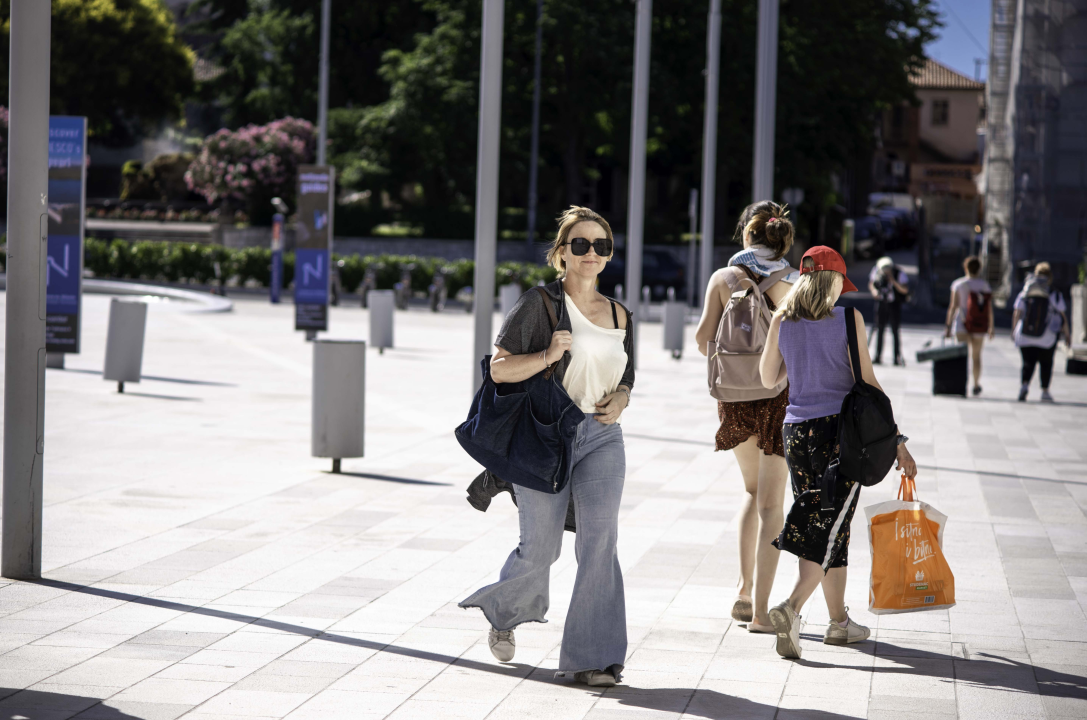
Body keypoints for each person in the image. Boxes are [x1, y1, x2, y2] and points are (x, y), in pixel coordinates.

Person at [459, 206, 634, 688]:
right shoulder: (540, 304)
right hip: (545, 436)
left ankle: (593, 658)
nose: (591, 253)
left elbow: (627, 374)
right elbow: (499, 370)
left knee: (600, 540)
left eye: (601, 245)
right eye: (580, 244)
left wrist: (622, 396)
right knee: (541, 549)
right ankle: (503, 612)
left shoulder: (619, 313)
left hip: (601, 437)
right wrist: (547, 354)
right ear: (562, 253)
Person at [759, 246, 917, 660]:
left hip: (796, 433)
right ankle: (791, 608)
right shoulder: (849, 318)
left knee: (826, 525)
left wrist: (800, 358)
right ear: (832, 282)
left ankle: (839, 623)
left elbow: (769, 378)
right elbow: (868, 381)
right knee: (828, 527)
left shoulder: (782, 319)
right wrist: (897, 440)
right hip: (840, 435)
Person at [695, 201, 797, 634]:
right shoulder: (794, 281)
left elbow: (703, 339)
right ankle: (761, 613)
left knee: (751, 491)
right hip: (778, 395)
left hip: (734, 397)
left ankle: (743, 588)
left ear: (745, 233)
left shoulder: (723, 278)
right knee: (773, 503)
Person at [1012, 262, 1071, 402]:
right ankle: (1045, 391)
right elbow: (1063, 316)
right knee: (1046, 363)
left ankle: (1024, 385)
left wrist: (1014, 330)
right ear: (1050, 276)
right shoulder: (1054, 294)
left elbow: (1017, 312)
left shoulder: (1026, 290)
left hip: (1025, 334)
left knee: (1028, 362)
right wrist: (1067, 335)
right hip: (1047, 337)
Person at [946, 256, 994, 396]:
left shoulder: (958, 284)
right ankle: (976, 384)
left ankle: (961, 385)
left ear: (965, 268)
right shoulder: (984, 285)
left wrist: (948, 326)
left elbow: (953, 306)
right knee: (976, 357)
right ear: (979, 269)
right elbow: (989, 309)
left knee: (961, 357)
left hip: (961, 324)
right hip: (979, 325)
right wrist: (991, 327)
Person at [868, 256, 909, 366]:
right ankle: (878, 356)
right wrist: (874, 292)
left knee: (895, 330)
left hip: (894, 304)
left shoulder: (899, 273)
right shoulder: (877, 271)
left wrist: (893, 281)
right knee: (880, 329)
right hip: (881, 303)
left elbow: (905, 290)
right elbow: (871, 283)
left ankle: (897, 357)